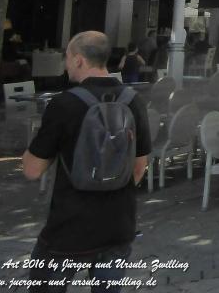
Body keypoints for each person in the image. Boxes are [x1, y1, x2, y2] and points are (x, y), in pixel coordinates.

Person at [23, 31, 151, 291]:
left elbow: (32, 170)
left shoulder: (64, 104)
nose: (66, 63)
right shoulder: (134, 101)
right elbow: (139, 167)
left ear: (79, 60)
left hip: (69, 225)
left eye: (67, 57)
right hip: (118, 223)